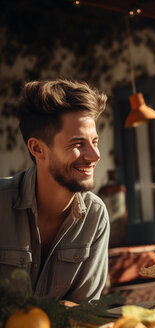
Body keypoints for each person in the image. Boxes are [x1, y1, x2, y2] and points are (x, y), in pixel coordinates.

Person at [0, 79, 110, 304]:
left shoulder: (95, 216)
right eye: (78, 144)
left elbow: (82, 311)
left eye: (94, 142)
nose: (95, 155)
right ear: (38, 148)